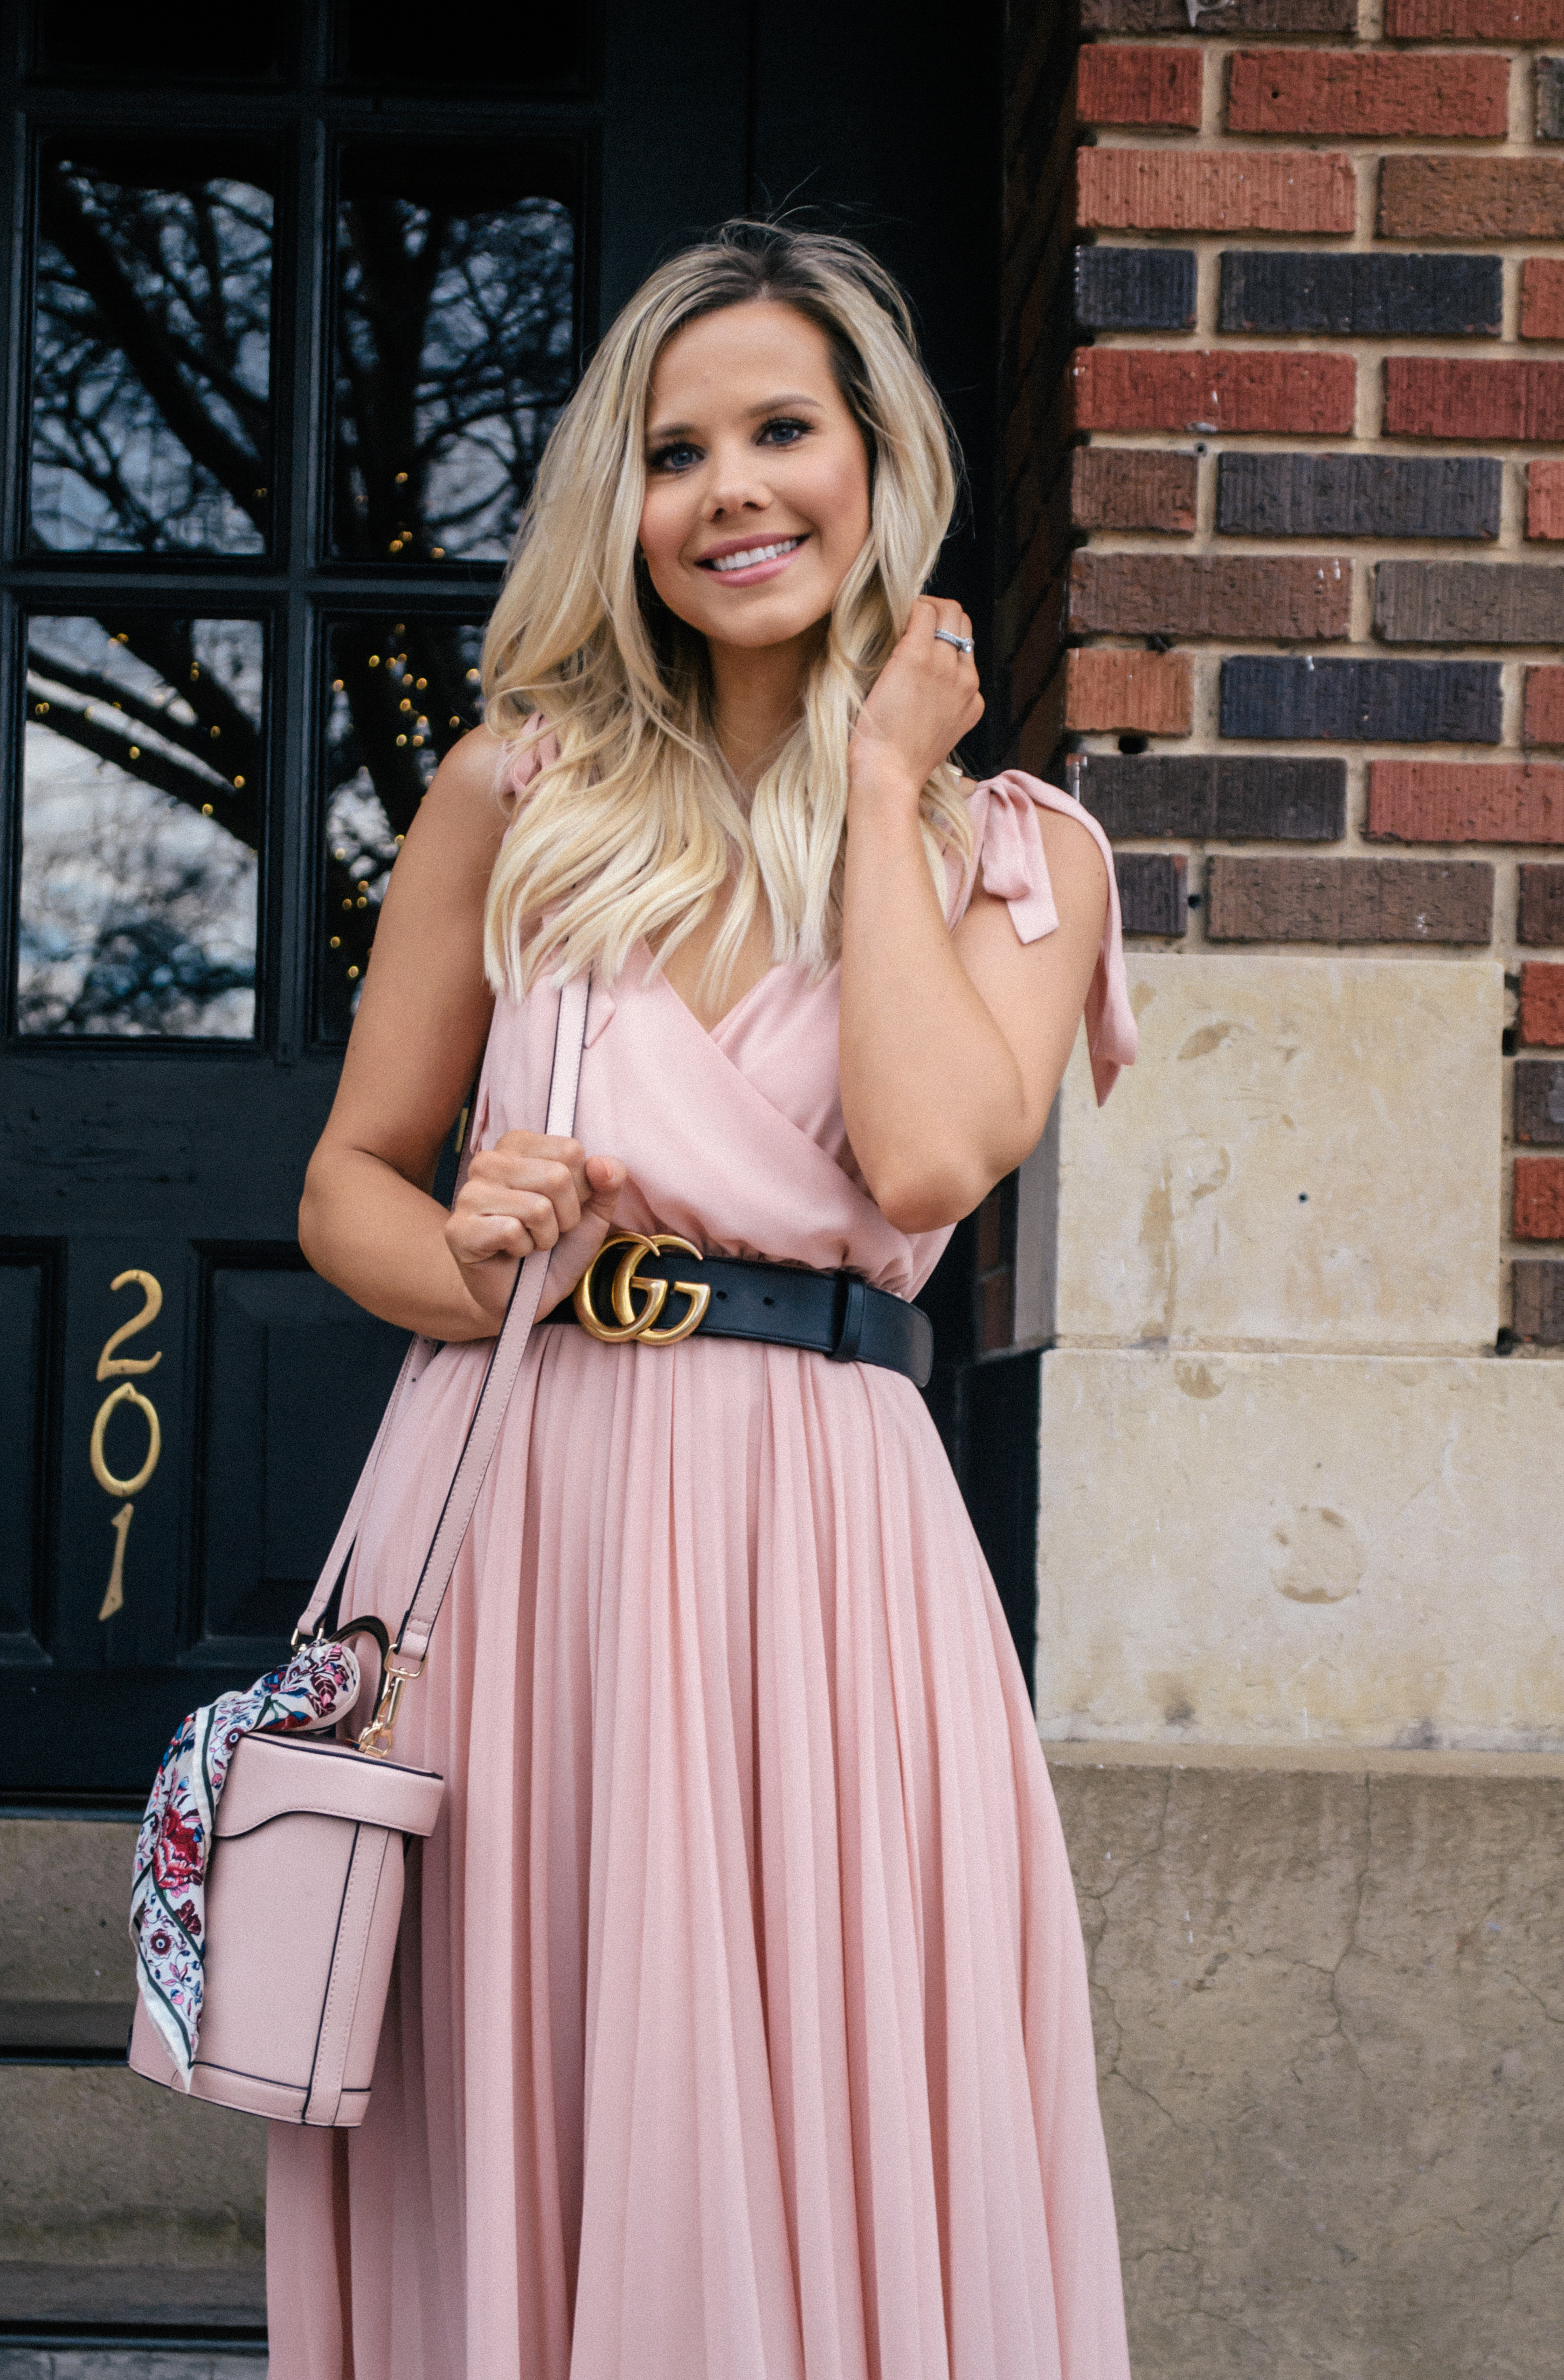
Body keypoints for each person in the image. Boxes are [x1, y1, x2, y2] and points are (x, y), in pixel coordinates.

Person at [272, 222, 1137, 2380]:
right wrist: (470, 1255)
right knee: (544, 2077)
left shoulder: (1019, 853)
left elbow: (930, 1160)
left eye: (781, 432)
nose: (730, 489)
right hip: (530, 1521)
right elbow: (343, 1194)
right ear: (620, 508)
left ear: (877, 467)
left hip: (828, 1544)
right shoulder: (516, 795)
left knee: (825, 2069)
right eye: (675, 452)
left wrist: (868, 784)